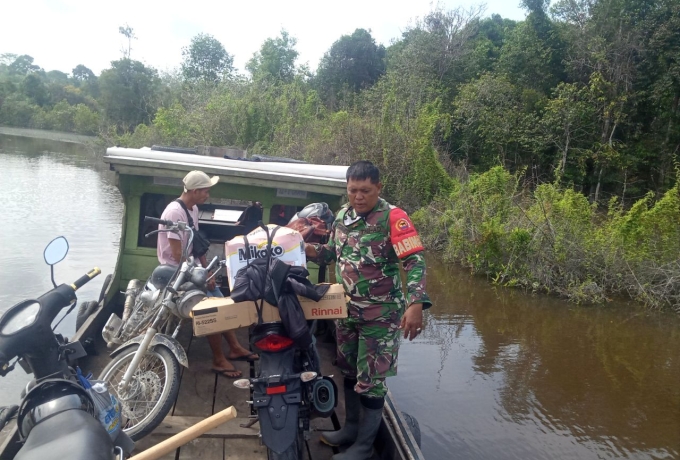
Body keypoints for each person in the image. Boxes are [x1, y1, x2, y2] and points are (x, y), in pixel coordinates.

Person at [305, 160, 431, 460]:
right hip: (346, 311)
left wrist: (416, 304)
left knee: (372, 381)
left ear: (378, 188)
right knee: (348, 370)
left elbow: (414, 261)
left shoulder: (393, 218)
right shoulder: (342, 216)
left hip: (381, 315)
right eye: (352, 191)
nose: (358, 197)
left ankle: (363, 446)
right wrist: (310, 249)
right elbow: (333, 253)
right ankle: (350, 428)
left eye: (365, 191)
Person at [158, 170, 257, 378]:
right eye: (205, 191)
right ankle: (219, 360)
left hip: (191, 268)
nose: (207, 195)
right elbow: (177, 256)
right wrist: (200, 276)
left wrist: (208, 272)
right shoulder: (174, 213)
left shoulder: (192, 209)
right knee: (210, 308)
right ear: (194, 191)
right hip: (175, 272)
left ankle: (234, 347)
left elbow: (195, 244)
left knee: (220, 299)